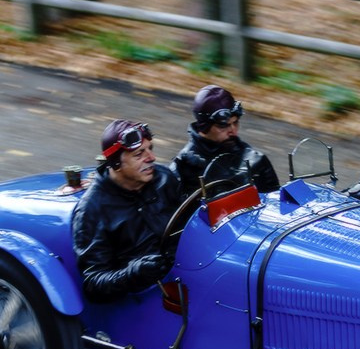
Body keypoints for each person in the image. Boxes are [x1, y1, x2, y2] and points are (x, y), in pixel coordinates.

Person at [72, 119, 182, 303]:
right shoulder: (92, 210)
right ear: (116, 163)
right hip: (148, 295)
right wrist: (133, 273)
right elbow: (93, 283)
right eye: (139, 154)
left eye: (150, 149)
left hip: (188, 270)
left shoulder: (164, 177)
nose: (151, 158)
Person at [170, 84, 280, 196]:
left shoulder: (255, 159)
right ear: (204, 127)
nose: (233, 131)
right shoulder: (183, 167)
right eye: (223, 126)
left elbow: (276, 202)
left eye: (235, 123)